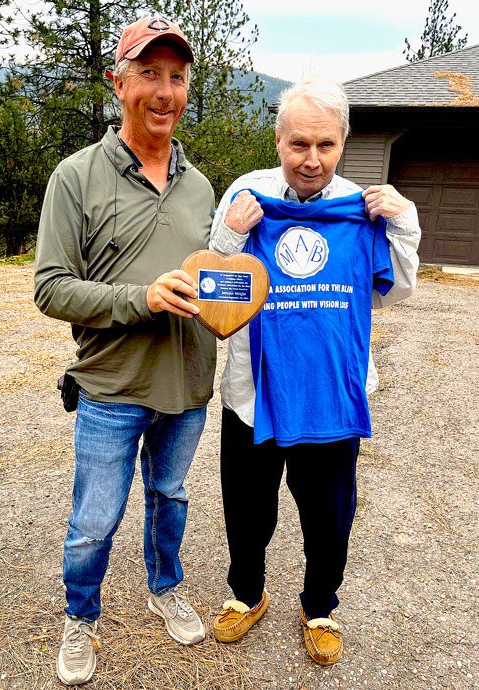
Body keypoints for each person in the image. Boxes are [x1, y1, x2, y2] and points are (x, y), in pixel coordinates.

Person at [209, 77, 420, 666]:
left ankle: (320, 606)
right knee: (246, 509)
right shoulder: (246, 196)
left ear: (343, 144)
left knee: (329, 514)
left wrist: (404, 226)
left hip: (332, 396)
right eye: (299, 143)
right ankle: (245, 595)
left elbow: (393, 294)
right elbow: (218, 297)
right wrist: (231, 236)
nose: (312, 159)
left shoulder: (364, 207)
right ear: (277, 140)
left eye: (325, 146)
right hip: (254, 395)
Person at [34, 16, 216, 686]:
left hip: (189, 386)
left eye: (176, 76)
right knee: (94, 521)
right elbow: (51, 288)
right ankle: (80, 617)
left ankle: (164, 587)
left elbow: (220, 280)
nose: (165, 91)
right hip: (110, 388)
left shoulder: (202, 187)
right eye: (149, 74)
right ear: (119, 83)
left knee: (169, 496)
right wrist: (140, 299)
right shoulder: (75, 177)